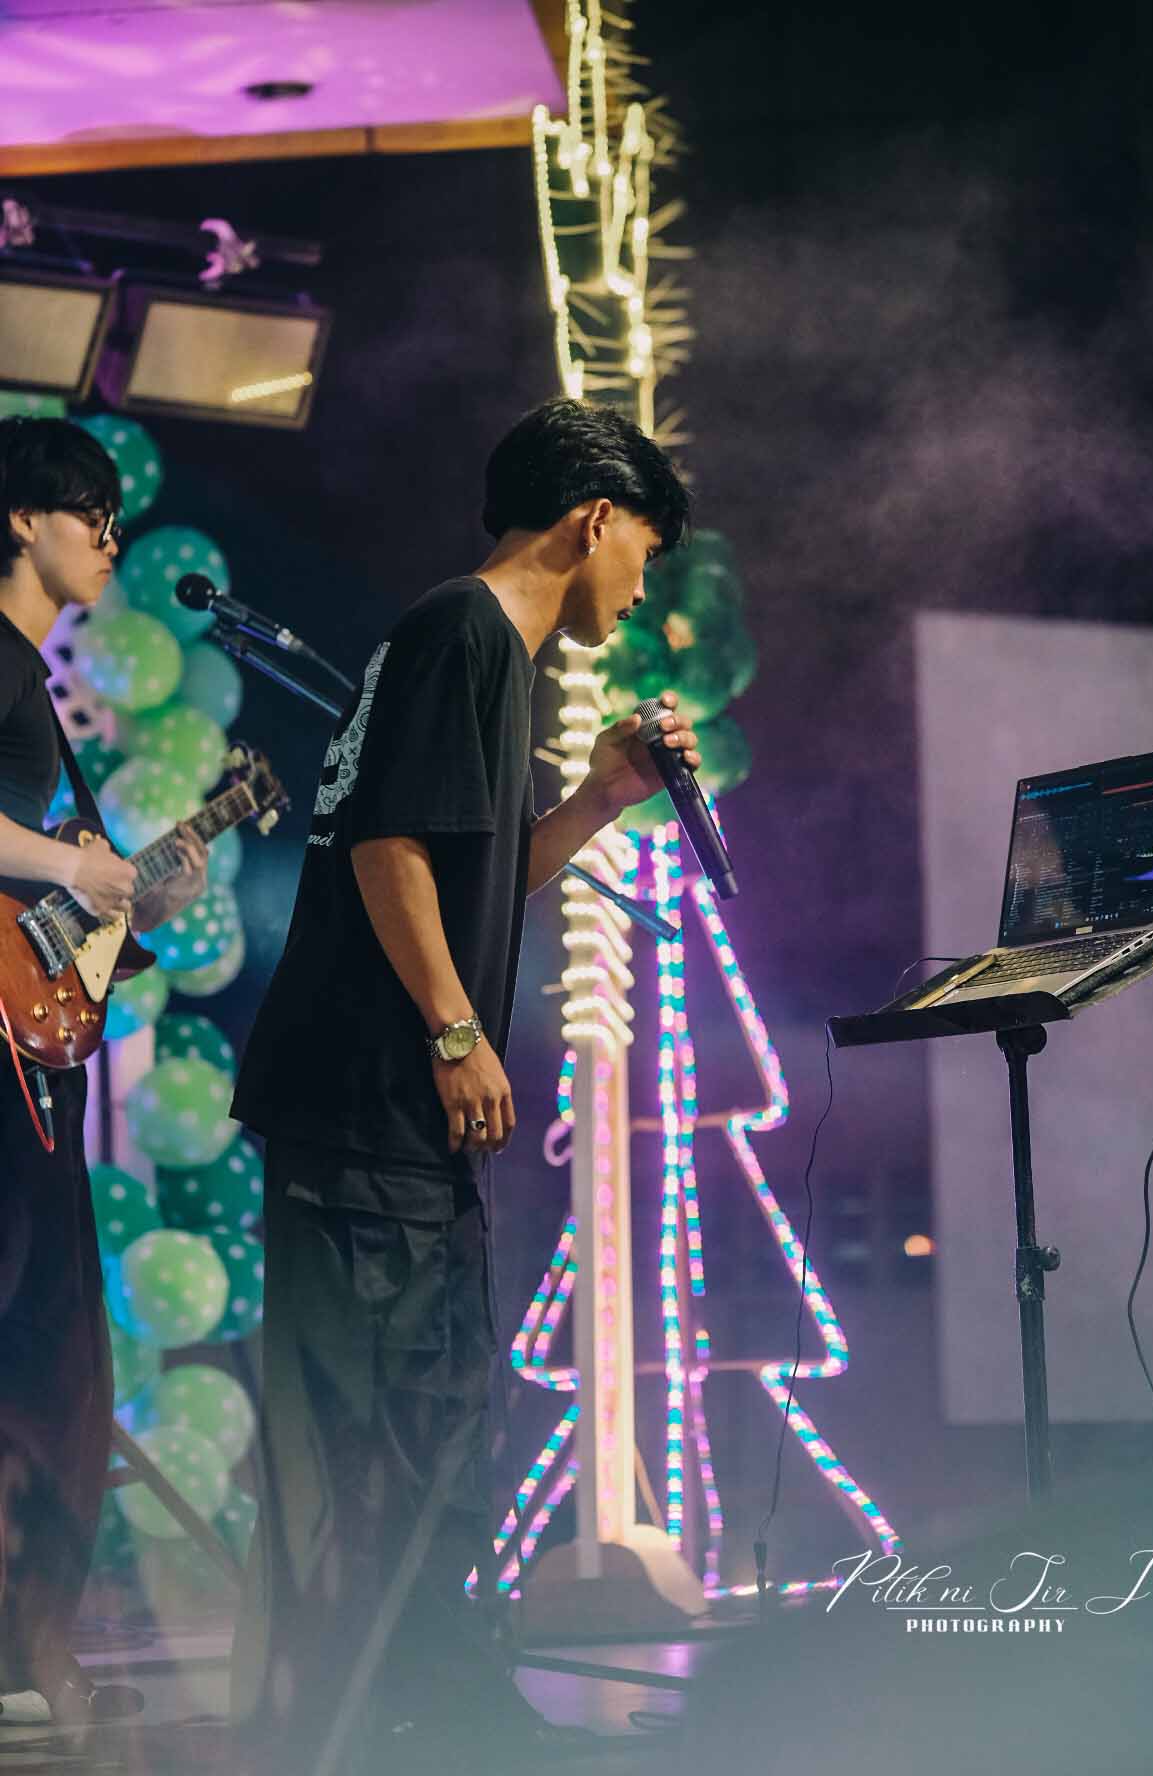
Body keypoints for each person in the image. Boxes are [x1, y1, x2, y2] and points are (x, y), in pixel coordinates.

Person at [229, 397, 696, 1771]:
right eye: (647, 553)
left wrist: (600, 798)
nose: (643, 588)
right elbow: (387, 850)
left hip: (388, 1125)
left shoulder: (481, 648)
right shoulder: (466, 633)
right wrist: (451, 1029)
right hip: (366, 1109)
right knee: (382, 1442)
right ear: (595, 519)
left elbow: (469, 874)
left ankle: (434, 1709)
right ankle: (384, 1724)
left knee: (430, 1429)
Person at [0, 416, 207, 1728]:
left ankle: (32, 1645)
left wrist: (131, 900)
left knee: (52, 1365)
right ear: (22, 519)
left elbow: (42, 915)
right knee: (41, 1359)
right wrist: (77, 864)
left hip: (34, 1062)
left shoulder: (28, 681)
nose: (112, 538)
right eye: (91, 513)